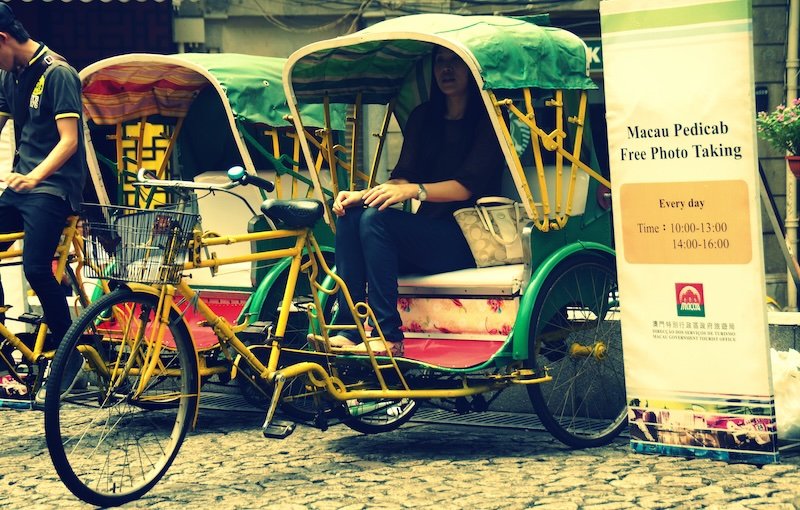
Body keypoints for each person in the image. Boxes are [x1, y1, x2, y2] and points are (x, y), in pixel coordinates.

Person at [326, 46, 506, 355]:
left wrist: (416, 191)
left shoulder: (488, 119)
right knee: (353, 215)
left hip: (467, 238)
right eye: (440, 63)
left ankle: (388, 336)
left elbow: (466, 187)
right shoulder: (424, 117)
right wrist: (364, 195)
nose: (446, 70)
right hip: (427, 232)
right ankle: (349, 328)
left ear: (474, 71)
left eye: (455, 63)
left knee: (375, 219)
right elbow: (403, 177)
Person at [0, 4, 86, 396]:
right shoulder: (11, 76)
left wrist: (33, 177)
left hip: (53, 188)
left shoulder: (58, 72)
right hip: (21, 188)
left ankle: (72, 353)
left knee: (36, 268)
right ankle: (3, 340)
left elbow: (69, 141)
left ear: (2, 39)